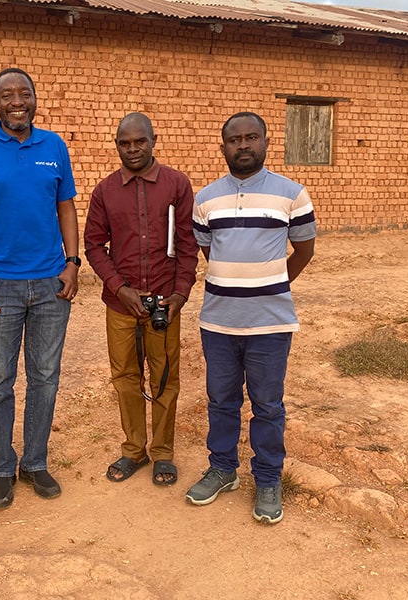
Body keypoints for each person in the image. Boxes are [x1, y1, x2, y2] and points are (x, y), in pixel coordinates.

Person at [0, 68, 79, 509]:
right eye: (8, 95)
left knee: (44, 378)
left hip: (49, 285)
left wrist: (72, 262)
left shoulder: (54, 147)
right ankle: (2, 467)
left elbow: (66, 208)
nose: (17, 101)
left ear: (35, 99)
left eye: (25, 92)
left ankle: (36, 463)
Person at [186, 111, 316, 524]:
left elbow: (305, 251)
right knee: (222, 402)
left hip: (270, 325)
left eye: (251, 138)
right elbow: (210, 251)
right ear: (223, 146)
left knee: (267, 405)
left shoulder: (292, 193)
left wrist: (272, 284)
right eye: (234, 140)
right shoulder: (206, 198)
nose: (243, 146)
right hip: (218, 323)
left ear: (265, 142)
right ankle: (223, 469)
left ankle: (267, 479)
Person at [84, 112, 198, 486]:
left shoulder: (177, 184)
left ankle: (163, 452)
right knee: (126, 378)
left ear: (154, 140)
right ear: (116, 144)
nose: (132, 149)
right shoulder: (105, 191)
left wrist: (181, 292)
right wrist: (120, 288)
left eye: (139, 141)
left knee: (165, 377)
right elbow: (93, 246)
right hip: (121, 304)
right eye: (124, 143)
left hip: (165, 302)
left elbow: (187, 243)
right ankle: (134, 449)